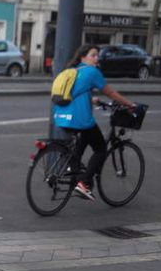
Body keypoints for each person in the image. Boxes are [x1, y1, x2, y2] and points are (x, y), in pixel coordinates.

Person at [52, 44, 135, 201]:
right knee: (100, 148)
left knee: (82, 142)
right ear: (83, 56)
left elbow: (73, 93)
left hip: (62, 116)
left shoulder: (73, 71)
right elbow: (110, 92)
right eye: (93, 55)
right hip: (80, 119)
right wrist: (129, 104)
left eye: (98, 55)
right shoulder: (92, 72)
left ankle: (73, 169)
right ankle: (83, 183)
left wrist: (91, 99)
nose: (97, 58)